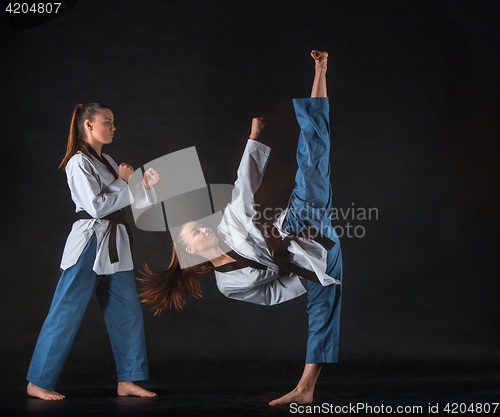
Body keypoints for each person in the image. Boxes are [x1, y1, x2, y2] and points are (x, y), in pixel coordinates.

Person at [140, 50, 342, 405]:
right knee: (323, 304)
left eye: (198, 226)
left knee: (314, 155)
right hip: (315, 257)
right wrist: (304, 274)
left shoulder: (231, 226)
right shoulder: (228, 286)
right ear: (191, 251)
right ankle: (306, 388)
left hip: (300, 221)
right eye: (195, 233)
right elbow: (270, 294)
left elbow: (243, 186)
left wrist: (255, 137)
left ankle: (320, 71)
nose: (203, 228)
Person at [27, 103, 160, 400]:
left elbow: (133, 203)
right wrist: (125, 183)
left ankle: (128, 380)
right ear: (88, 125)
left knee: (127, 311)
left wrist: (145, 186)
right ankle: (37, 381)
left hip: (115, 244)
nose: (113, 128)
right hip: (90, 242)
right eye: (107, 122)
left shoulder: (109, 160)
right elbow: (97, 206)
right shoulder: (78, 162)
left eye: (113, 123)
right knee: (66, 311)